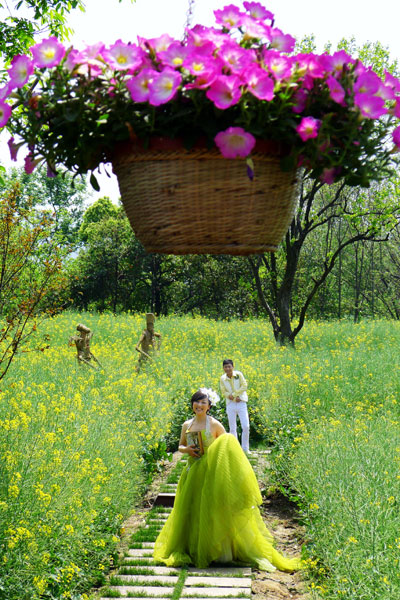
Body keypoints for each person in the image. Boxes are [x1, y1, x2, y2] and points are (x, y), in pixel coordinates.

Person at [153, 389, 300, 572]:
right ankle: (192, 547)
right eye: (196, 402)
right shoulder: (187, 425)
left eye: (203, 403)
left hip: (212, 472)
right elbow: (180, 445)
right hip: (192, 471)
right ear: (192, 405)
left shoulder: (214, 425)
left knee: (210, 508)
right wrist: (187, 450)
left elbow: (228, 448)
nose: (199, 406)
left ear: (209, 406)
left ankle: (216, 549)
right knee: (191, 508)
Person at [219, 359, 250, 453]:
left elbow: (244, 386)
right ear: (223, 368)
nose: (227, 368)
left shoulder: (239, 375)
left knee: (246, 426)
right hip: (230, 404)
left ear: (233, 367)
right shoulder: (222, 378)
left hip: (241, 402)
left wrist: (235, 395)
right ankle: (235, 449)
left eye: (229, 366)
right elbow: (223, 391)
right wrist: (232, 398)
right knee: (232, 428)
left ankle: (245, 448)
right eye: (225, 367)